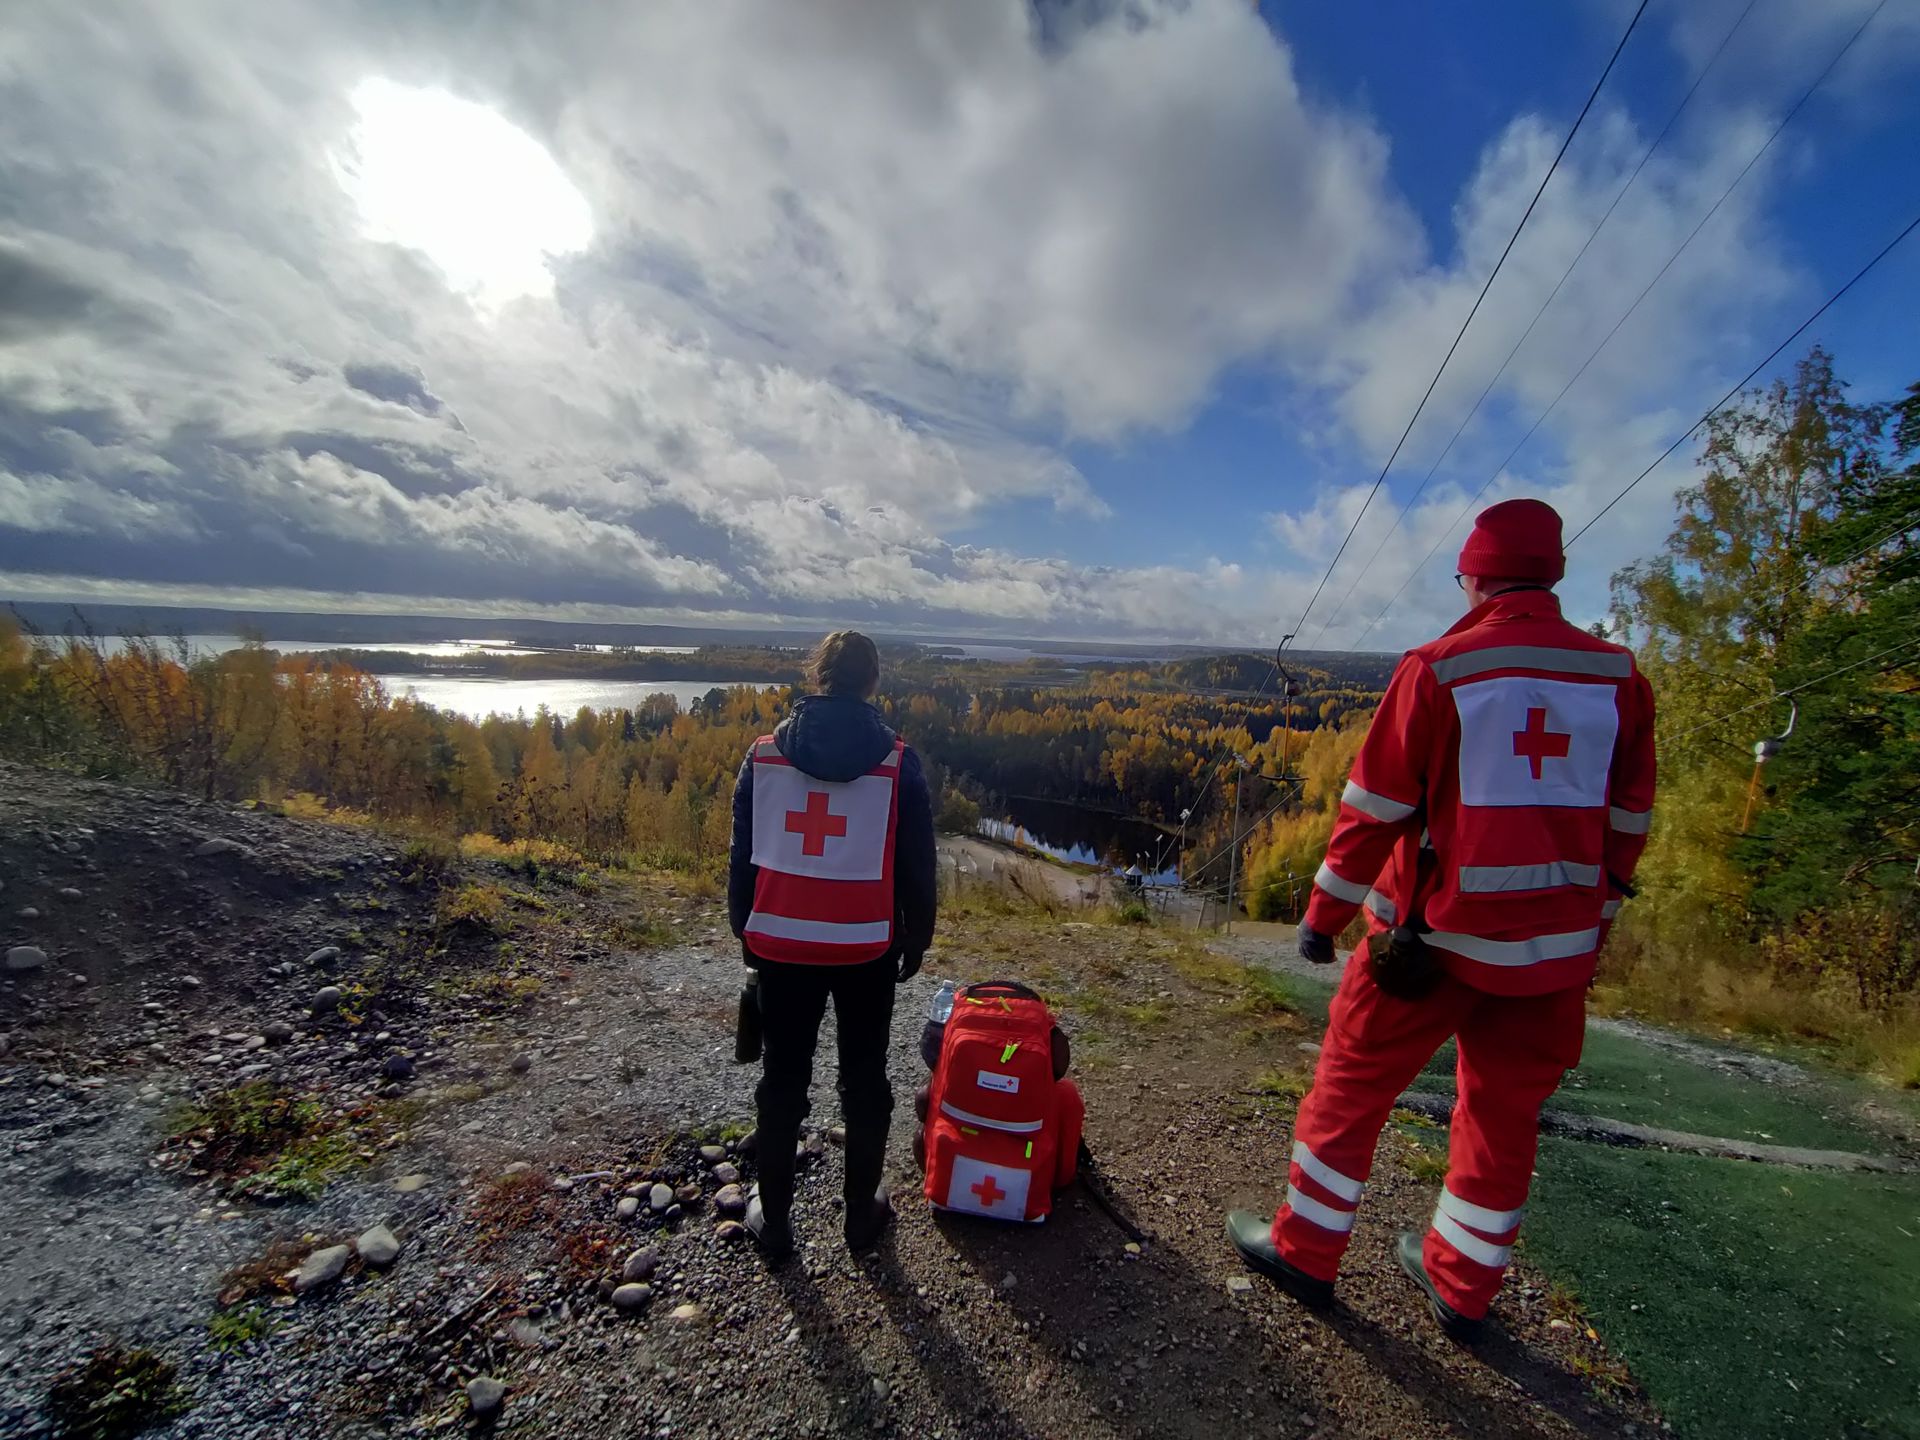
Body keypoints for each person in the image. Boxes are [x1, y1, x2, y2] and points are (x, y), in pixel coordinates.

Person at [1226, 498, 1656, 1339]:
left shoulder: (1440, 669)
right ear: (1553, 574)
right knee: (1502, 1116)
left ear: (1476, 577)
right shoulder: (1619, 679)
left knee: (1350, 1089)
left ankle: (1305, 1252)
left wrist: (1324, 916)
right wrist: (1592, 922)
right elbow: (1626, 822)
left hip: (1427, 947)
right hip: (1551, 958)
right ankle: (1462, 1286)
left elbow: (1372, 809)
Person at [728, 630, 937, 1261]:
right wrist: (916, 937)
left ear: (818, 676)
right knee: (865, 1081)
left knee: (783, 1079)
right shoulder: (898, 762)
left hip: (781, 943)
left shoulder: (763, 756)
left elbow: (743, 855)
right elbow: (917, 865)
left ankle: (775, 1222)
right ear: (873, 681)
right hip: (865, 947)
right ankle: (860, 1217)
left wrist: (745, 929)